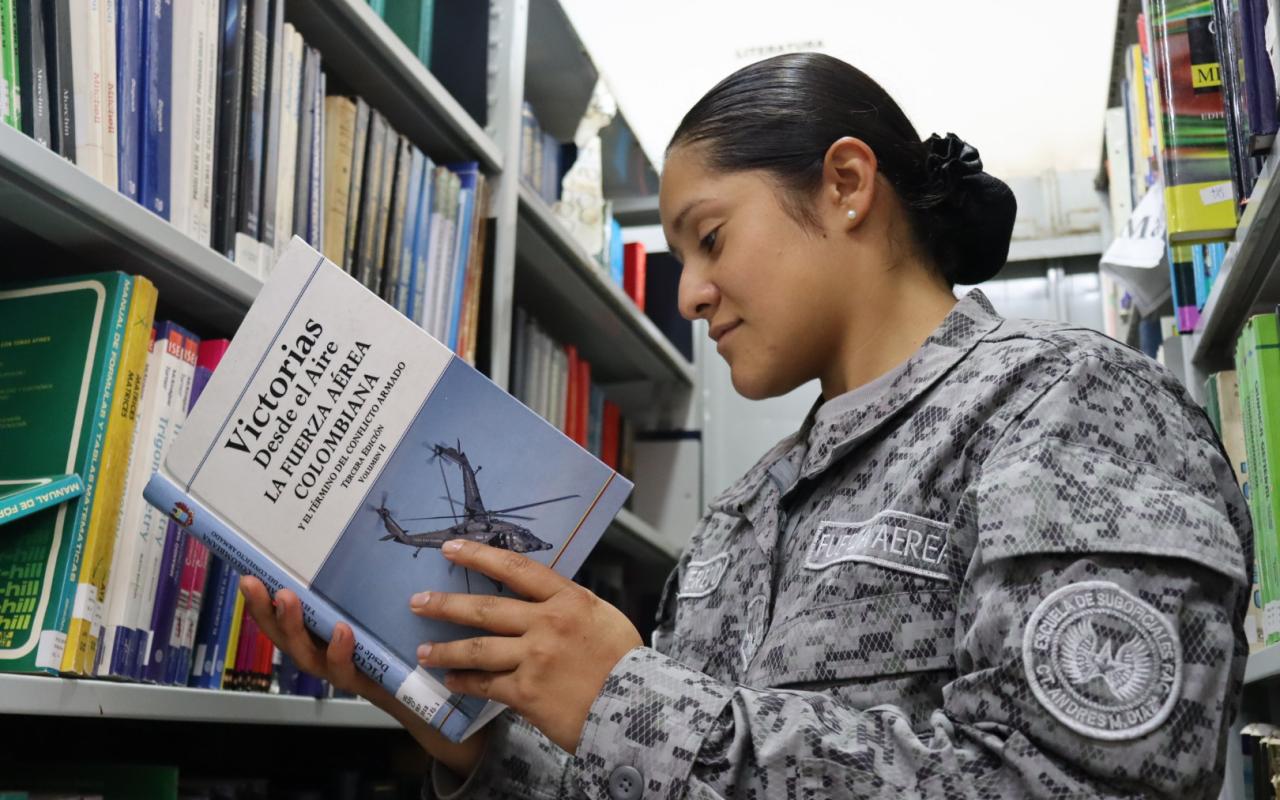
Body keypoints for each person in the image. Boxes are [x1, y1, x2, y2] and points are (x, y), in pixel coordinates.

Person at [241, 53, 1251, 799]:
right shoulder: (740, 514)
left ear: (845, 186)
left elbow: (1076, 784)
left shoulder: (1070, 404)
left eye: (709, 237)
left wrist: (626, 693)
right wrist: (468, 729)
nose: (690, 294)